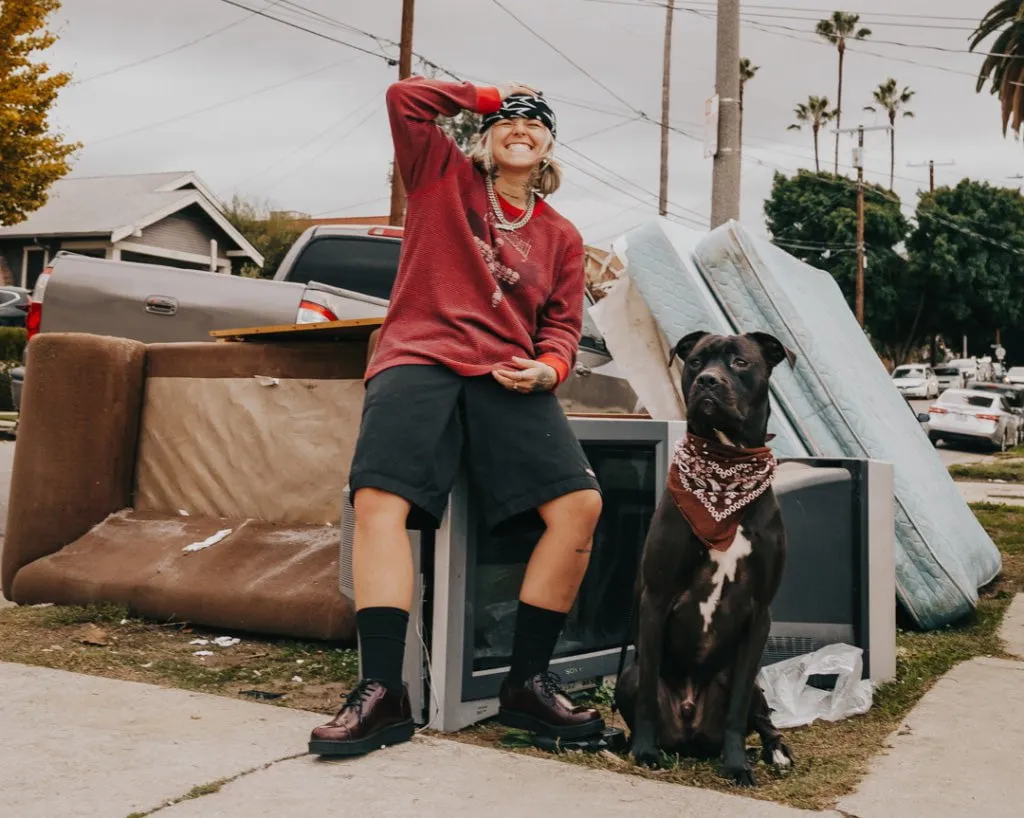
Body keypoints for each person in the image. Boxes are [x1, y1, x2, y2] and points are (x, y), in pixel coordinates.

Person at [308, 76, 605, 758]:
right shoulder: (439, 174)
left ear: (551, 144)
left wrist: (549, 370)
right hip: (419, 357)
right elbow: (403, 98)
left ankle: (526, 683)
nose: (519, 129)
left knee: (580, 506)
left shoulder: (561, 237)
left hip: (507, 373)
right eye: (508, 123)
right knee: (379, 501)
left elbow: (562, 327)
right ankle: (384, 692)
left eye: (534, 123)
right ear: (487, 137)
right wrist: (490, 93)